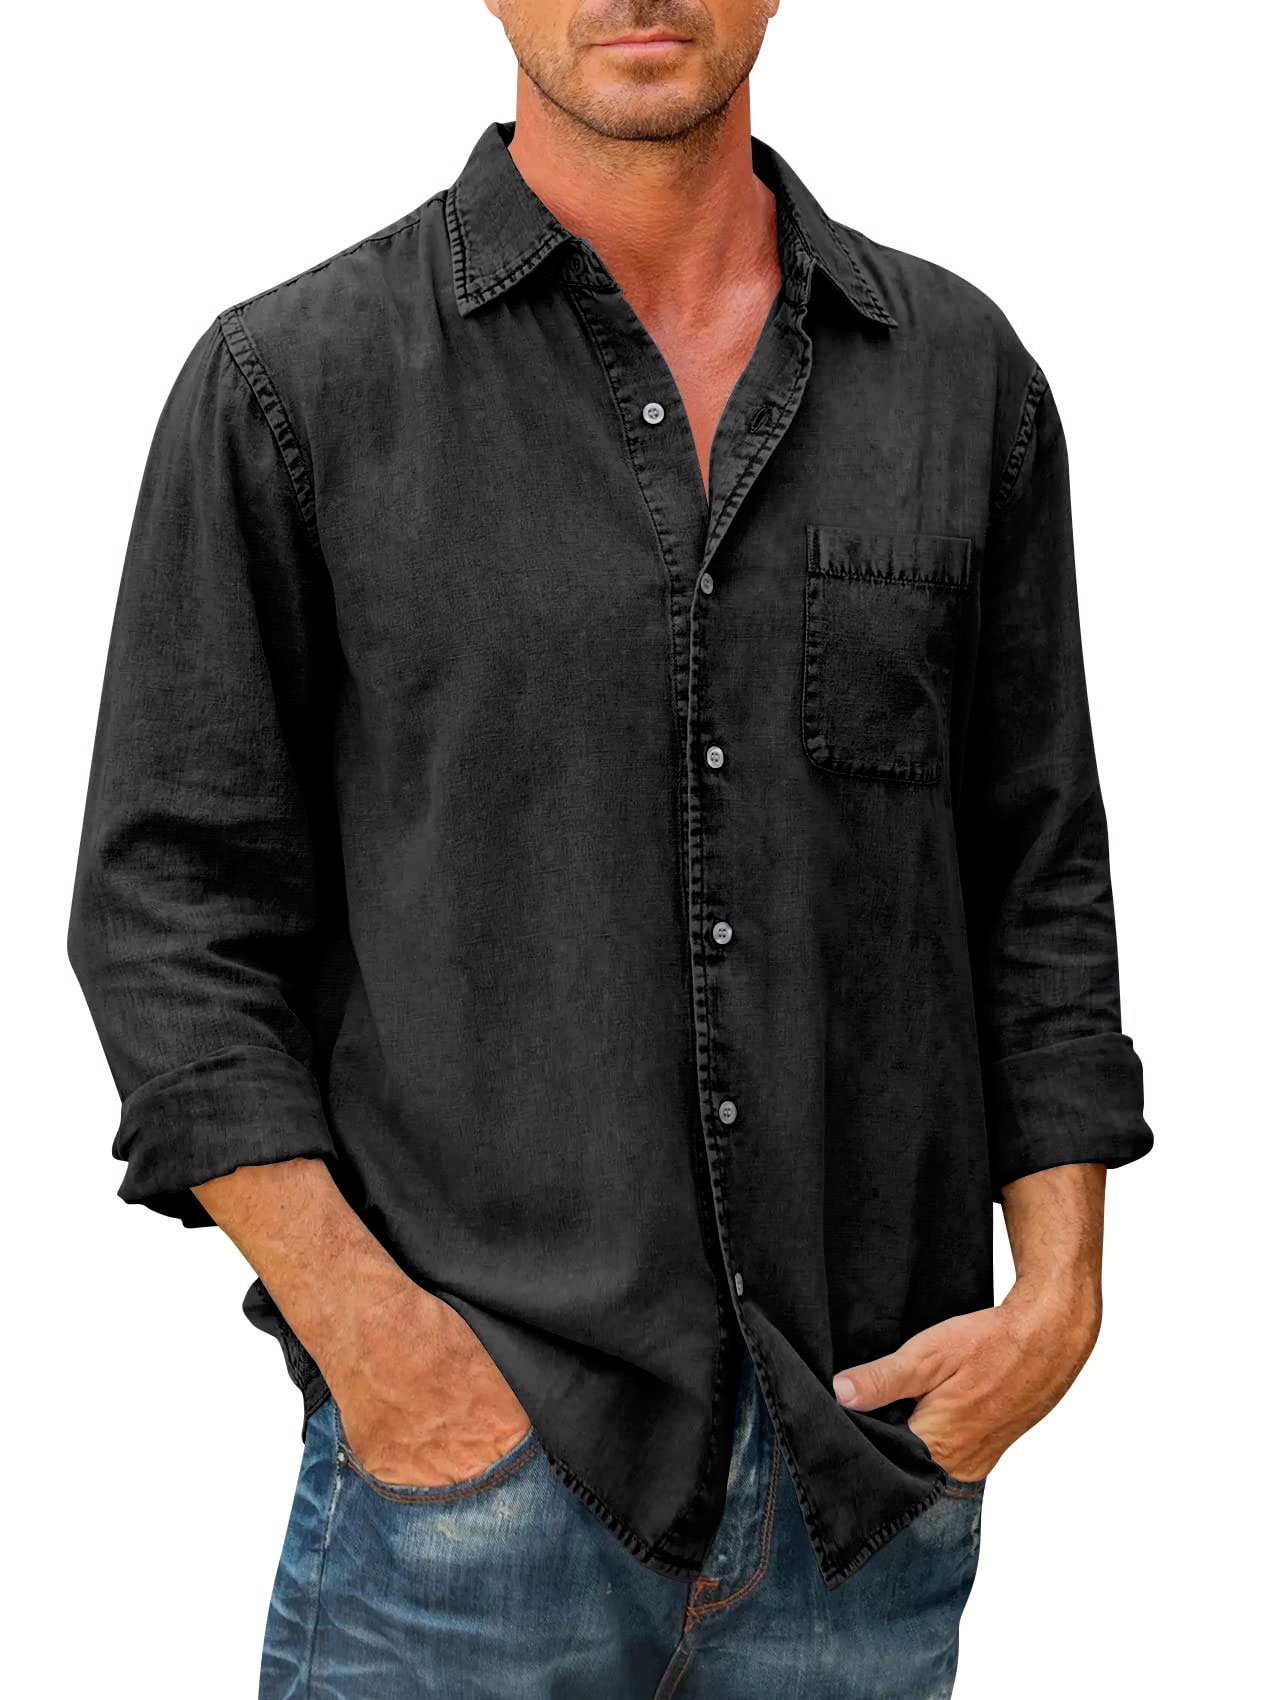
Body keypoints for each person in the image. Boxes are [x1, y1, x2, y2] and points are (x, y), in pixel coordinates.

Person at [67, 2, 1153, 1695]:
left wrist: (1060, 1296)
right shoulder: (296, 385)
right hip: (469, 1506)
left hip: (863, 1488)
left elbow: (1036, 866)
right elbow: (165, 911)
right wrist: (382, 1350)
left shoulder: (962, 379)